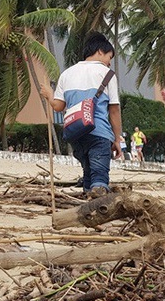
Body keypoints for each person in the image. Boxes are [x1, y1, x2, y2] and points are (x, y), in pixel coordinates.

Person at [44, 32, 122, 198]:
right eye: (110, 57)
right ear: (100, 51)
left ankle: (88, 199)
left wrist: (49, 94)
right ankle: (98, 193)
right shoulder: (107, 74)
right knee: (99, 175)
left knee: (88, 172)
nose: (109, 62)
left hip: (75, 133)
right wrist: (117, 138)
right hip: (98, 132)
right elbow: (114, 110)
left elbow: (58, 106)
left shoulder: (67, 74)